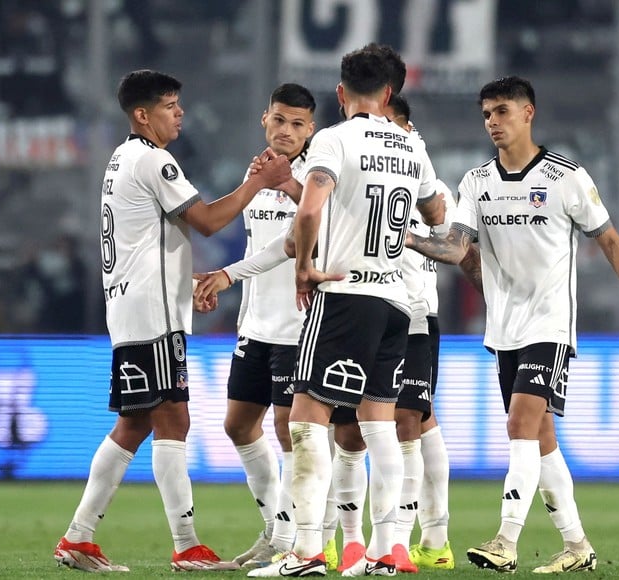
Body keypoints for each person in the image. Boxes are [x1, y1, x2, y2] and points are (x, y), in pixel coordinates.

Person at [407, 76, 619, 574]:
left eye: (502, 111)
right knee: (541, 437)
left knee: (520, 423)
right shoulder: (476, 182)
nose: (492, 122)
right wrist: (411, 238)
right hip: (505, 326)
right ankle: (577, 546)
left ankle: (505, 540)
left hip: (550, 322)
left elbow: (609, 241)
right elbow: (457, 247)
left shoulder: (565, 177)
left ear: (529, 113)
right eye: (486, 114)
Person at [53, 69, 291, 573]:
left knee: (134, 423)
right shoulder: (154, 159)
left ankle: (78, 537)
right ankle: (186, 546)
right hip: (153, 313)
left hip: (129, 308)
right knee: (173, 419)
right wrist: (258, 182)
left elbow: (155, 239)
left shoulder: (120, 159)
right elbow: (204, 220)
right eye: (170, 104)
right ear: (143, 115)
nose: (179, 112)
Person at [247, 44, 444, 578]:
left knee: (308, 421)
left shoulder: (334, 140)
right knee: (380, 427)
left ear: (340, 93)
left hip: (343, 296)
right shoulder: (410, 146)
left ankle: (308, 552)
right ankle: (387, 550)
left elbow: (310, 207)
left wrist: (304, 265)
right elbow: (436, 211)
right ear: (389, 93)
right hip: (395, 303)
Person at [212, 83, 318, 570]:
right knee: (238, 426)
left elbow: (316, 237)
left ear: (310, 129)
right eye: (279, 120)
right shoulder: (255, 173)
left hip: (300, 326)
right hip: (255, 326)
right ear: (265, 120)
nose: (287, 131)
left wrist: (289, 185)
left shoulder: (321, 173)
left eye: (298, 123)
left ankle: (298, 541)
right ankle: (278, 531)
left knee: (287, 428)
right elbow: (260, 245)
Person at [384, 93, 455, 573]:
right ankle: (436, 537)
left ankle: (404, 542)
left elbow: (451, 245)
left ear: (407, 130)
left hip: (414, 316)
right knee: (420, 421)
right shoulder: (368, 175)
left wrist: (410, 237)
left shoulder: (431, 188)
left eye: (388, 125)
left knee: (408, 421)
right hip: (372, 311)